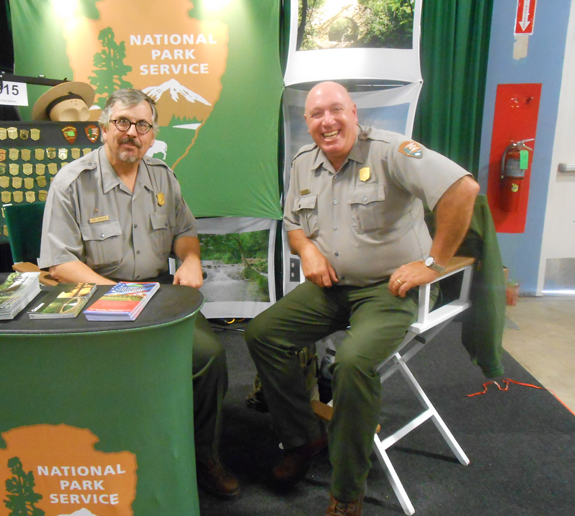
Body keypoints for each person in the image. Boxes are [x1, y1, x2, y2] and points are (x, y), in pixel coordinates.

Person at [244, 81, 479, 516]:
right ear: (308, 122)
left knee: (352, 362)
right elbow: (294, 221)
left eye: (336, 110)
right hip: (331, 288)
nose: (327, 121)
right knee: (263, 333)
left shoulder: (390, 151)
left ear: (354, 112)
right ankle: (303, 438)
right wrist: (307, 248)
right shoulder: (302, 163)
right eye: (316, 114)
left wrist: (433, 261)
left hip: (387, 290)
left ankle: (347, 493)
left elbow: (462, 189)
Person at [38, 88, 240, 498]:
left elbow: (185, 233)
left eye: (142, 125)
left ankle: (204, 454)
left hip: (158, 294)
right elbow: (59, 262)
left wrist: (189, 261)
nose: (132, 133)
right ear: (103, 128)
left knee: (210, 358)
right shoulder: (72, 182)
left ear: (152, 134)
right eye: (123, 123)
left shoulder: (163, 177)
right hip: (95, 298)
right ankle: (110, 455)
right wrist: (117, 294)